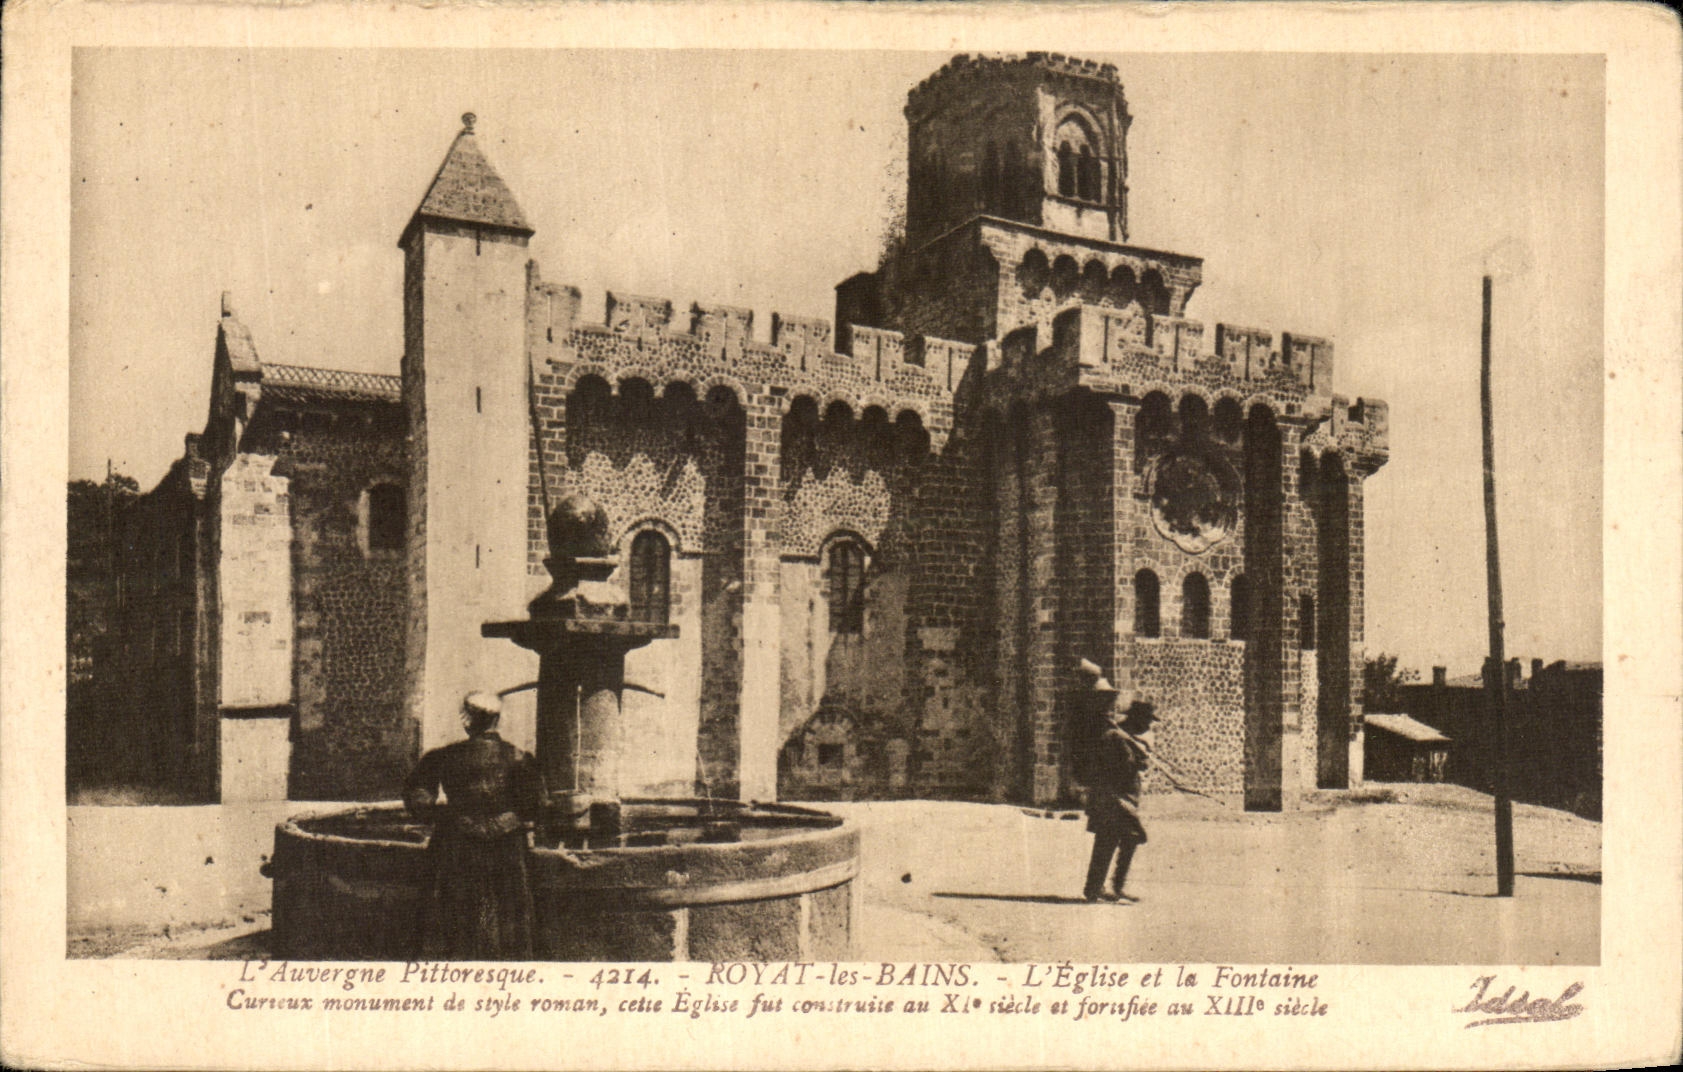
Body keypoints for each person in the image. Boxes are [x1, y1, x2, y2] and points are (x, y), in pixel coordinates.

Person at [404, 691, 546, 959]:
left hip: (456, 845)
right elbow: (536, 804)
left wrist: (445, 815)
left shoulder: (443, 756)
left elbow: (418, 798)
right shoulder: (520, 758)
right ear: (497, 720)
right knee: (508, 916)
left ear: (467, 720)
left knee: (455, 915)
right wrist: (508, 819)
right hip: (507, 847)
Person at [1081, 678, 1160, 904]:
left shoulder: (1126, 737)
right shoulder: (1115, 736)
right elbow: (1118, 767)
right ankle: (1103, 887)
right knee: (1119, 838)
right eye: (1147, 721)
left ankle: (1105, 887)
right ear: (1137, 719)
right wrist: (1138, 761)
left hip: (1121, 798)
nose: (1149, 726)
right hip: (1112, 798)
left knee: (1115, 839)